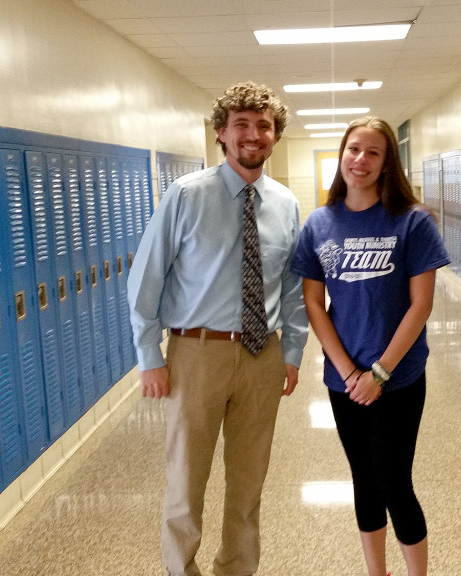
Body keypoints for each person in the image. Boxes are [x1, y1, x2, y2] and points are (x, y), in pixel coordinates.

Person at [127, 81, 308, 576]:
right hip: (196, 353)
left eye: (264, 126)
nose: (253, 135)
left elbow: (292, 288)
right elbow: (146, 278)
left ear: (275, 136)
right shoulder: (186, 196)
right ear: (222, 134)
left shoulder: (286, 205)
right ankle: (180, 568)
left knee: (249, 482)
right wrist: (151, 356)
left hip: (261, 356)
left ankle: (236, 569)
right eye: (242, 125)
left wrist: (291, 353)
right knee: (187, 481)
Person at [290, 116, 450, 576]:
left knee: (395, 482)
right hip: (345, 380)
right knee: (364, 480)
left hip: (397, 377)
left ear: (386, 164)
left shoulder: (412, 221)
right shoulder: (320, 223)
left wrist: (379, 372)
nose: (360, 160)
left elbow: (420, 305)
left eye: (372, 153)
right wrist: (347, 372)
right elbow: (314, 304)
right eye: (353, 150)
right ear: (341, 155)